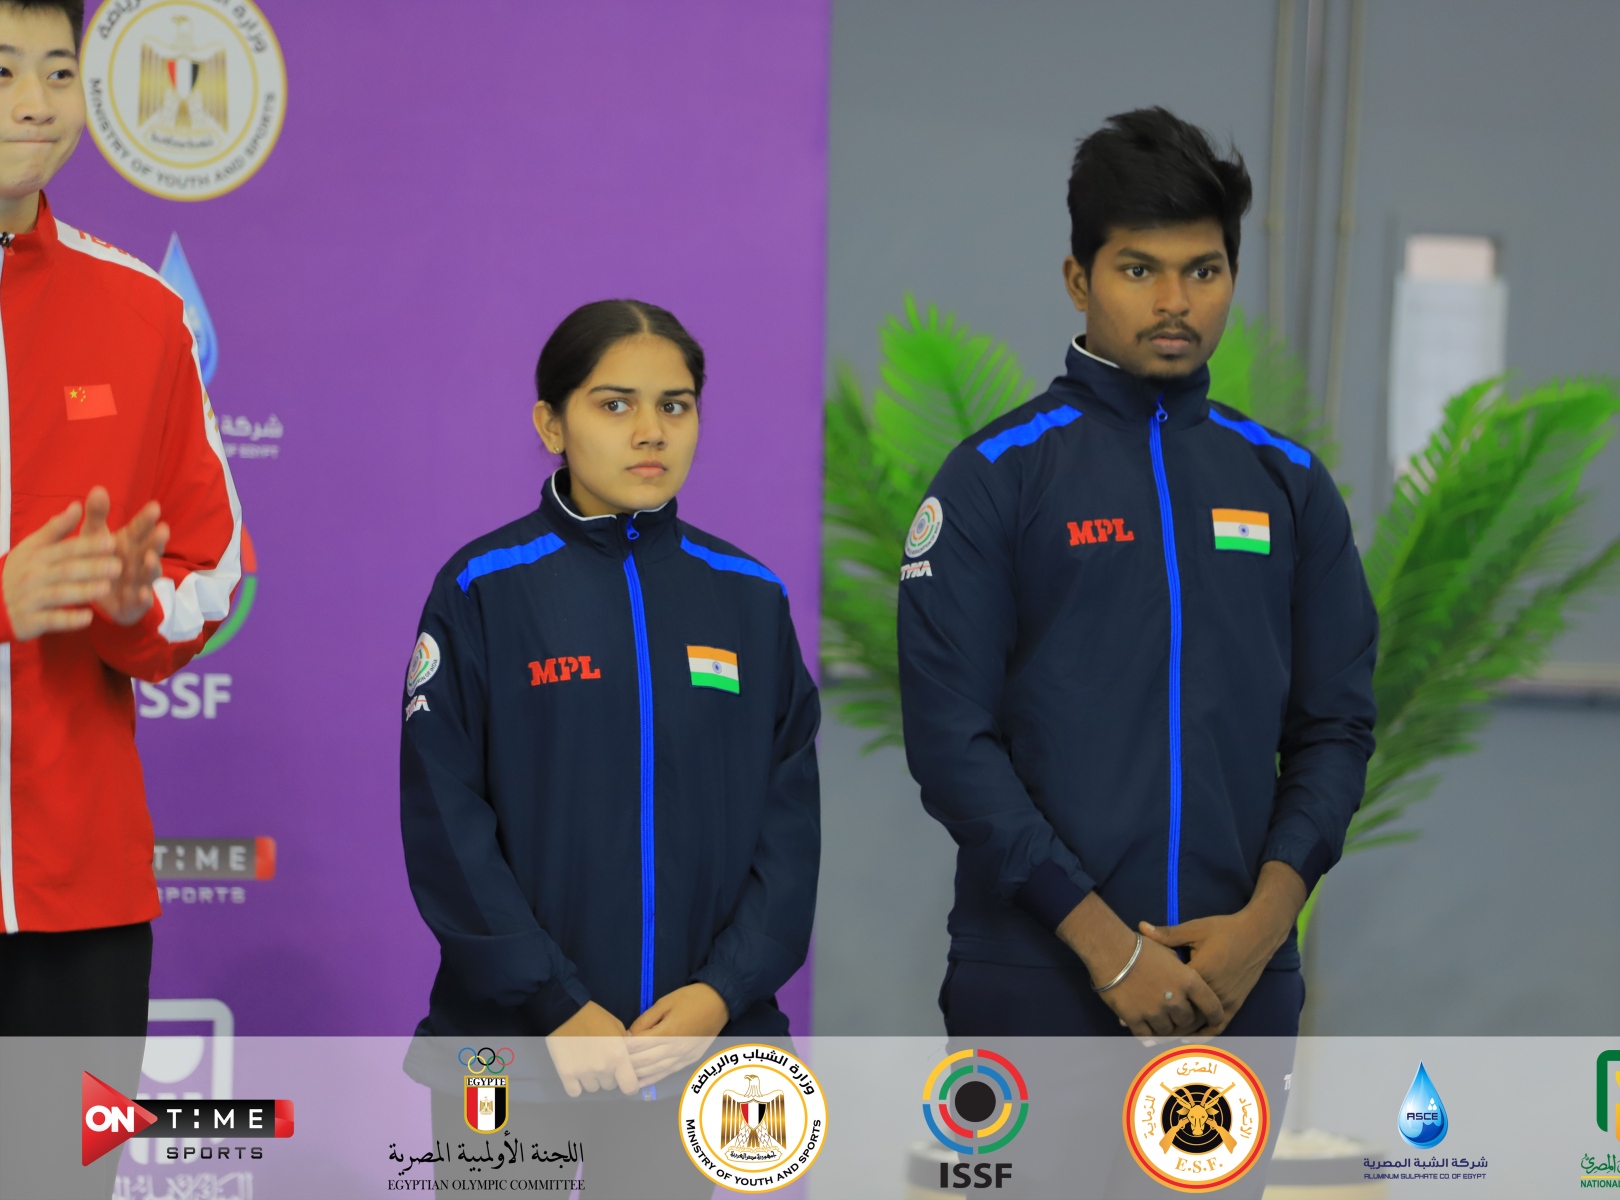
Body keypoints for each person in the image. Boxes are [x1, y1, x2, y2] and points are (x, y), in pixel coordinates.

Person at [898, 106, 1377, 1042]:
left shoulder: (1288, 483)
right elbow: (952, 743)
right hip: (1035, 976)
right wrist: (1107, 948)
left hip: (1237, 983)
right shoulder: (996, 477)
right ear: (1079, 279)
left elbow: (1336, 727)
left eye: (1204, 270)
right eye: (1138, 270)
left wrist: (1261, 929)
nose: (1175, 302)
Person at [400, 300, 820, 1197]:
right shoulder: (483, 588)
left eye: (676, 405)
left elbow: (789, 833)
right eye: (614, 404)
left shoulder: (749, 596)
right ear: (551, 423)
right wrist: (555, 1004)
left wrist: (719, 995)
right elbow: (446, 822)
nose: (650, 431)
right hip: (515, 1051)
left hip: (714, 1051)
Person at [0, 0, 244, 1031]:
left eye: (59, 72)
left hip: (80, 897)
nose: (35, 103)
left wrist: (133, 603)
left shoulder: (142, 311)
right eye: (2, 71)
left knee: (60, 1143)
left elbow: (209, 572)